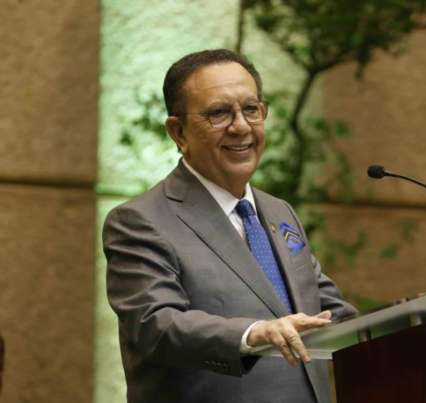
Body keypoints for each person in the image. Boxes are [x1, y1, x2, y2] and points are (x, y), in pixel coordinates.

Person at [103, 49, 357, 403]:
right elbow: (155, 325)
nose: (241, 127)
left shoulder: (279, 212)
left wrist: (412, 322)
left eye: (251, 109)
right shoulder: (140, 221)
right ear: (179, 132)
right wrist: (253, 334)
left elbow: (328, 312)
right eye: (219, 113)